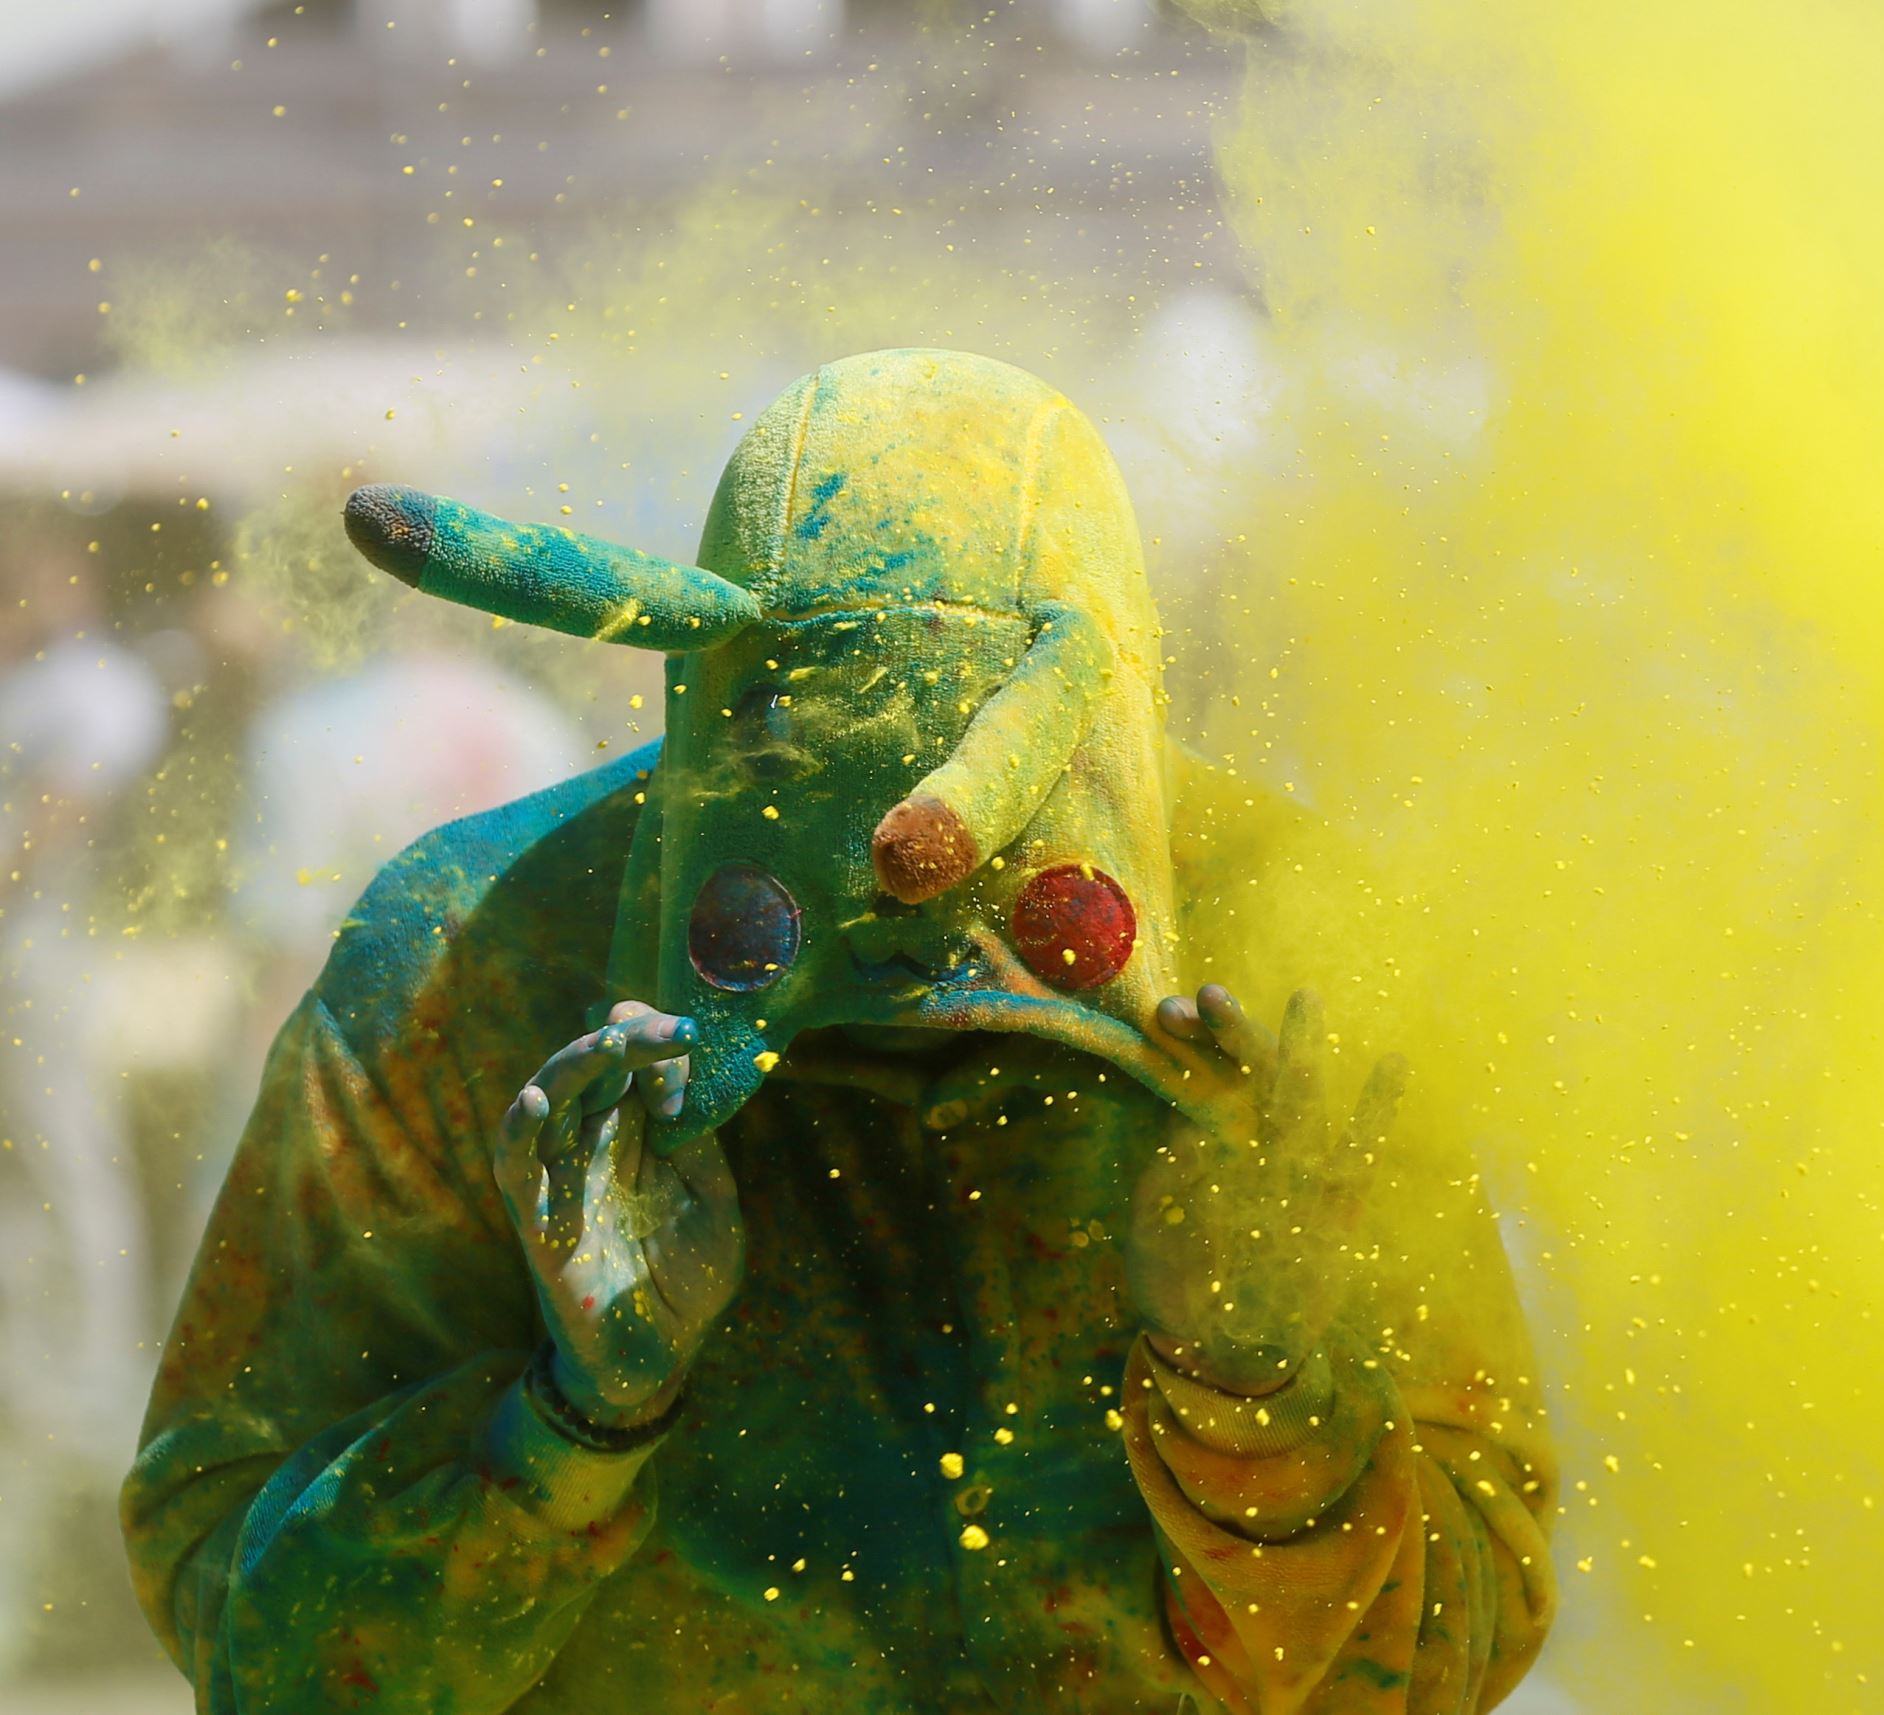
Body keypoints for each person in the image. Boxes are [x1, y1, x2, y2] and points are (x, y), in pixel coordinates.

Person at [122, 350, 1556, 1712]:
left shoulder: (1287, 937)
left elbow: (1463, 1630)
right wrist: (566, 1428)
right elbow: (248, 1630)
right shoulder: (475, 947)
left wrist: (1256, 1395)